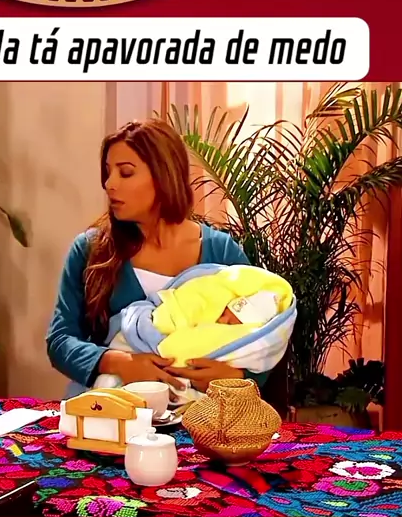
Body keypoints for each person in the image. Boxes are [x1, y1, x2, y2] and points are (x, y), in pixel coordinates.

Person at [47, 118, 269, 395]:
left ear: (164, 176)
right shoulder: (91, 250)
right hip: (108, 410)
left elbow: (267, 332)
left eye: (126, 173)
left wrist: (236, 376)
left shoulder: (221, 252)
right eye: (108, 172)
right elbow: (60, 340)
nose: (109, 184)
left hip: (200, 414)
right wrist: (118, 363)